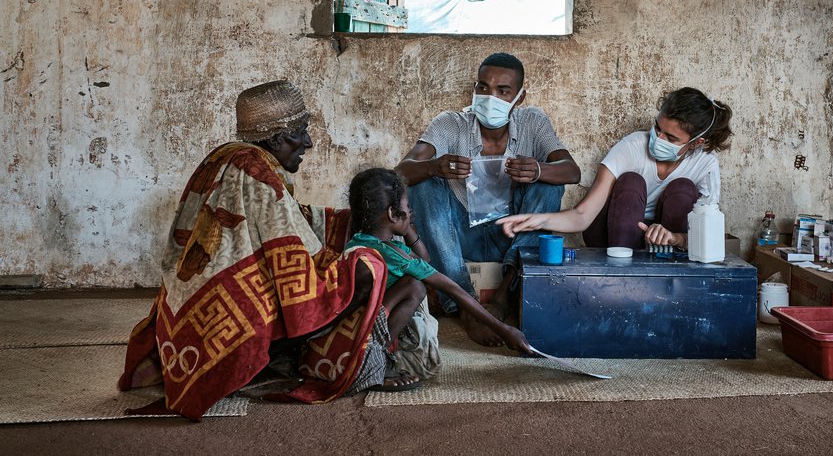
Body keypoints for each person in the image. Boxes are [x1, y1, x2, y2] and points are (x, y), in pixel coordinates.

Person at [119, 80, 420, 420]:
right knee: (368, 267)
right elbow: (291, 252)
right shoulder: (257, 171)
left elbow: (288, 225)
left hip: (193, 316)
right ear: (277, 138)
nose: (307, 142)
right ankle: (334, 361)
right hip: (230, 327)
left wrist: (351, 221)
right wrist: (364, 246)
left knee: (349, 250)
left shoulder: (225, 157)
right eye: (300, 132)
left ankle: (279, 357)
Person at [396, 53, 580, 346]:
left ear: (519, 97)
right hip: (460, 234)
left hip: (509, 233)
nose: (490, 96)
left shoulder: (533, 121)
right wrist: (434, 166)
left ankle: (505, 295)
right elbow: (401, 172)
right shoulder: (450, 123)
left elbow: (572, 171)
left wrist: (538, 170)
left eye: (503, 91)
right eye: (483, 87)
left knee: (548, 186)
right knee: (423, 185)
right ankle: (467, 307)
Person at [500, 87, 733, 251]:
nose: (658, 137)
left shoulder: (705, 165)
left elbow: (708, 238)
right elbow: (582, 216)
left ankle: (668, 272)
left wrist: (676, 238)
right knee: (631, 181)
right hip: (612, 230)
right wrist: (538, 220)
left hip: (663, 243)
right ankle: (622, 277)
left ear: (696, 143)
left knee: (683, 189)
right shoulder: (632, 146)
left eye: (670, 138)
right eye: (657, 127)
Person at [344, 168, 531, 370]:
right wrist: (504, 329)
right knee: (416, 287)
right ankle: (379, 358)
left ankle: (376, 352)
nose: (411, 211)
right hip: (369, 332)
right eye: (407, 206)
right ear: (392, 213)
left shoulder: (363, 243)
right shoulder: (391, 253)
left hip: (356, 325)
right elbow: (452, 288)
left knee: (414, 281)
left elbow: (423, 260)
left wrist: (406, 228)